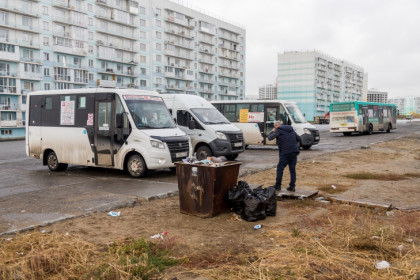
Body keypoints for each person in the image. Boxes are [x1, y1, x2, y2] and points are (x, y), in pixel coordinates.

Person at [267, 120, 301, 192]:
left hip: (285, 152)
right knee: (292, 169)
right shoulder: (291, 129)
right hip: (294, 151)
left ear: (276, 126)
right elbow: (299, 138)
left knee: (280, 168)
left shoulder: (278, 130)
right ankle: (292, 186)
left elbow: (269, 138)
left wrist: (273, 131)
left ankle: (277, 186)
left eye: (274, 126)